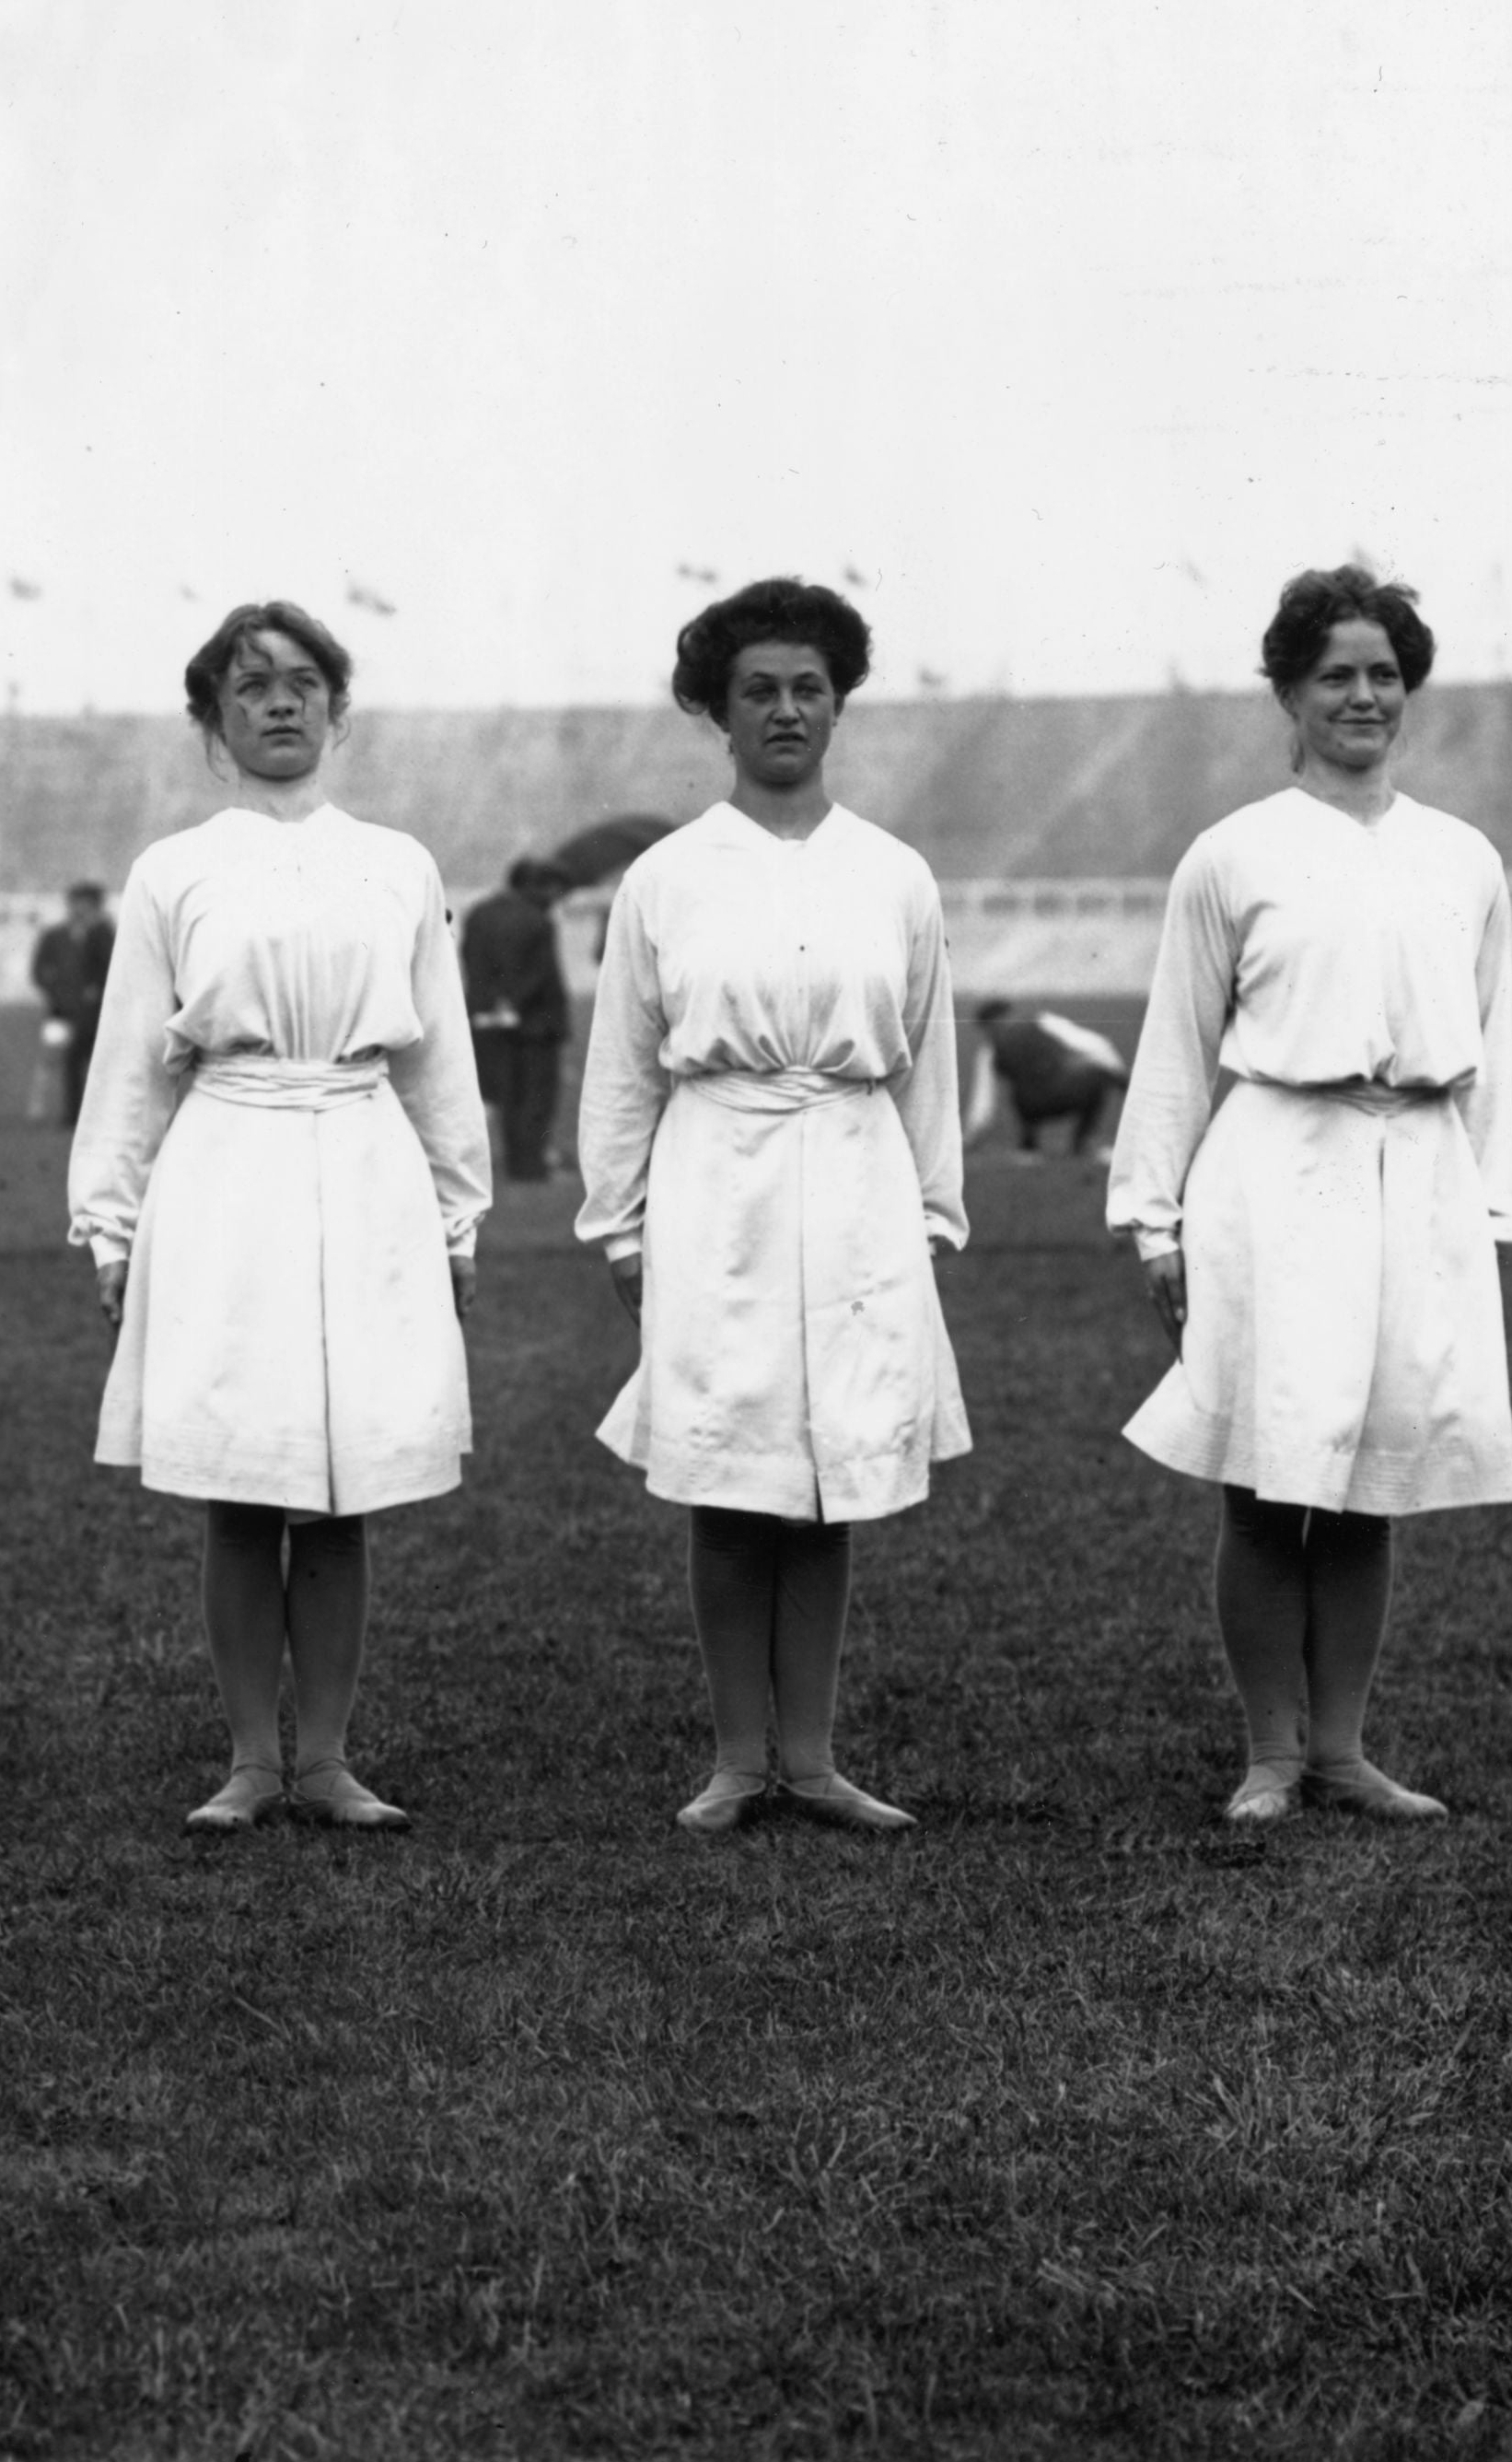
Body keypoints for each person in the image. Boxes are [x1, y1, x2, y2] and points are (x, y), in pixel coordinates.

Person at [1107, 566, 1512, 1825]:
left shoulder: (1463, 857)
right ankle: (1270, 1753)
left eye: (1384, 673)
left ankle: (1341, 1748)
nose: (1363, 695)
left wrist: (1487, 1217)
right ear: (1288, 692)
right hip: (1275, 1176)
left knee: (1373, 1477)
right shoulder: (1234, 853)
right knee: (1267, 1473)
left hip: (1420, 1180)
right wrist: (1153, 1217)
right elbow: (1177, 1041)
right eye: (1335, 673)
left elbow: (1492, 1046)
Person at [71, 600, 488, 1833]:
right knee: (243, 1481)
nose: (281, 703)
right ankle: (252, 1758)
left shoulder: (397, 863)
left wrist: (457, 1214)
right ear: (214, 719)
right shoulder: (176, 871)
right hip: (227, 1171)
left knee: (347, 1482)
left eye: (304, 682)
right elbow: (132, 1064)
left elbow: (439, 1059)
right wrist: (112, 1219)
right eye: (251, 687)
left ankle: (327, 1756)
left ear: (337, 707)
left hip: (364, 1164)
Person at [576, 578, 967, 1836]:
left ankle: (812, 1755)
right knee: (733, 1474)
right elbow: (625, 1065)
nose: (787, 710)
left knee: (831, 1472)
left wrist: (934, 1219)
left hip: (856, 1180)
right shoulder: (668, 877)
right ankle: (739, 1759)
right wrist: (621, 1224)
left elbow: (927, 1061)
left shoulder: (894, 874)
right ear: (718, 711)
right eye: (760, 690)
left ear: (838, 704)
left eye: (809, 688)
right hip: (717, 1184)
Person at [460, 856, 573, 1181]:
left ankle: (514, 1164)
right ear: (536, 886)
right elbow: (540, 975)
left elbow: (471, 960)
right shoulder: (539, 922)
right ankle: (531, 1168)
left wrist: (491, 1007)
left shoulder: (479, 913)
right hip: (536, 1024)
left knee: (506, 1096)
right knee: (536, 1099)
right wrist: (512, 1005)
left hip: (487, 1020)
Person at [968, 999, 1130, 1157]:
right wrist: (1120, 1077)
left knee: (1023, 1091)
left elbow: (983, 1105)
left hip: (1032, 1108)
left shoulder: (990, 1051)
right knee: (1097, 1076)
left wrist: (970, 1139)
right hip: (1061, 1096)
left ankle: (1029, 1146)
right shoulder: (1041, 1022)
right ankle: (1081, 1143)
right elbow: (1096, 1045)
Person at [30, 881, 116, 1128]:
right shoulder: (54, 936)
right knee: (54, 1061)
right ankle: (52, 1110)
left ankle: (91, 1115)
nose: (80, 909)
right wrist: (56, 993)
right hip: (61, 1011)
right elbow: (38, 970)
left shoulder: (103, 933)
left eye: (87, 905)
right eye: (77, 903)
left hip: (94, 1013)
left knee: (95, 1063)